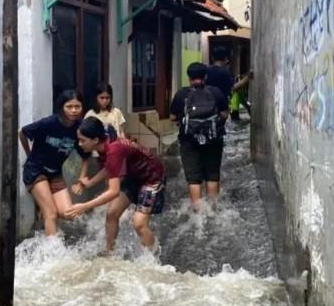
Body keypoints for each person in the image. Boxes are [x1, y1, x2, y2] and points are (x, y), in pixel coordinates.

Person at [69, 117, 167, 254]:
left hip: (151, 178)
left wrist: (84, 206)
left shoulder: (113, 150)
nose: (79, 144)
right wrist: (90, 183)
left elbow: (113, 192)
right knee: (112, 213)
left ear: (95, 140)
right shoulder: (106, 141)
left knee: (138, 223)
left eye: (82, 140)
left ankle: (152, 258)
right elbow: (110, 167)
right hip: (134, 177)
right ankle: (109, 254)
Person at [18, 90, 88, 236]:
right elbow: (23, 133)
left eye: (77, 106)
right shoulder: (49, 123)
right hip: (36, 171)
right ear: (61, 107)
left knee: (68, 213)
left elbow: (85, 155)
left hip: (55, 173)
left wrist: (82, 179)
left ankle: (43, 207)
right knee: (51, 214)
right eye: (69, 106)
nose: (74, 111)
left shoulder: (79, 129)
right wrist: (29, 155)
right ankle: (51, 254)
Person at [169, 62, 229, 208]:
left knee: (194, 179)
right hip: (213, 140)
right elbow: (224, 114)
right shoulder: (216, 92)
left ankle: (198, 214)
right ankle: (213, 210)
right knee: (212, 175)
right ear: (206, 76)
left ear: (189, 77)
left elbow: (172, 117)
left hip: (189, 141)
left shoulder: (181, 94)